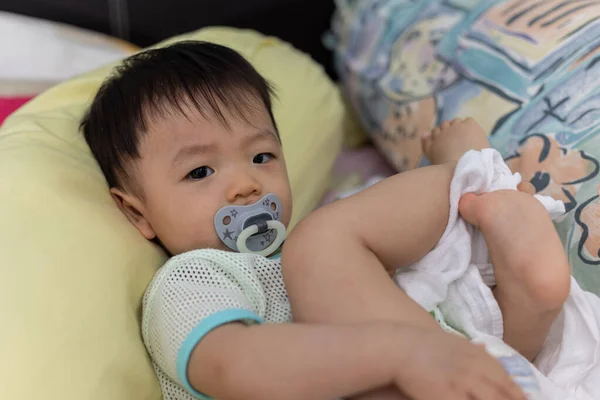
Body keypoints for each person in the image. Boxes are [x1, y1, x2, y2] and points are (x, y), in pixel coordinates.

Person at [81, 41, 570, 400]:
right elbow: (232, 366)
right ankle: (474, 178)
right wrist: (400, 352)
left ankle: (523, 306)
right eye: (200, 171)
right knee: (321, 241)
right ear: (136, 212)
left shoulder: (305, 256)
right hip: (405, 366)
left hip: (462, 365)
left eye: (262, 156)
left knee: (398, 261)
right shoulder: (191, 279)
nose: (246, 186)